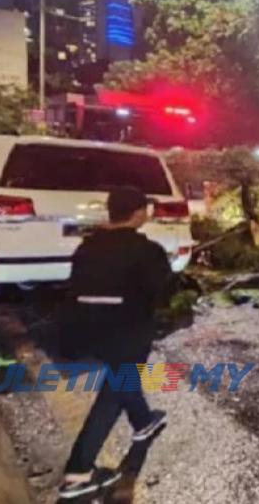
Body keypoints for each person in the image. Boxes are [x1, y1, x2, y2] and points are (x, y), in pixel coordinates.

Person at [58, 186, 174, 499]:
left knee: (124, 378)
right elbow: (160, 291)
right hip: (126, 330)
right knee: (115, 389)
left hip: (86, 329)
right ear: (137, 212)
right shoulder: (146, 250)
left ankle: (144, 422)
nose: (147, 214)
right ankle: (77, 473)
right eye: (145, 209)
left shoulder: (87, 246)